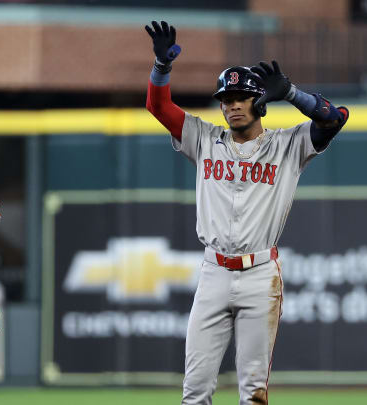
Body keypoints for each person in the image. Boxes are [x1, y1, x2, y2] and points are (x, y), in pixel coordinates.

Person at [144, 21, 349, 405]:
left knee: (253, 393)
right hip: (213, 272)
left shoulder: (288, 145)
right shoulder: (204, 137)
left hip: (259, 276)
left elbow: (334, 119)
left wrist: (290, 92)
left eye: (241, 97)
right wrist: (161, 66)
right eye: (226, 98)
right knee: (194, 392)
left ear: (260, 102)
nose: (232, 104)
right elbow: (157, 106)